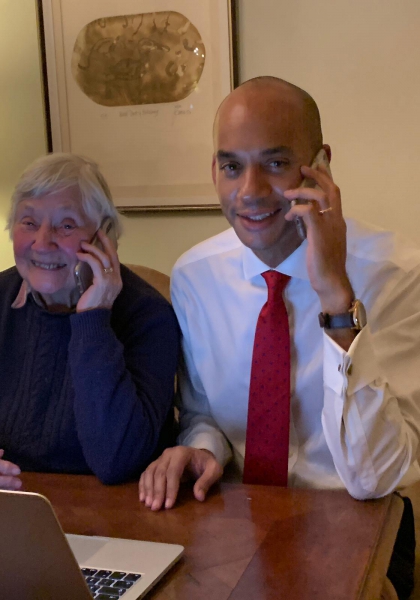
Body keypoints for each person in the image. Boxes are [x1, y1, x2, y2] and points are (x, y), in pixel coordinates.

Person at [139, 77, 420, 599]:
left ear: (322, 165)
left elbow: (377, 478)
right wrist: (202, 449)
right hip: (236, 523)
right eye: (230, 167)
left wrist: (337, 297)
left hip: (360, 526)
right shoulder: (195, 276)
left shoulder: (399, 274)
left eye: (274, 164)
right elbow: (202, 414)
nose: (249, 192)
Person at [0, 152, 179, 488]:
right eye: (29, 223)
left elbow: (117, 461)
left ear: (104, 236)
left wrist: (92, 320)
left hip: (117, 517)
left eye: (65, 225)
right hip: (10, 507)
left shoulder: (148, 315)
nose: (42, 242)